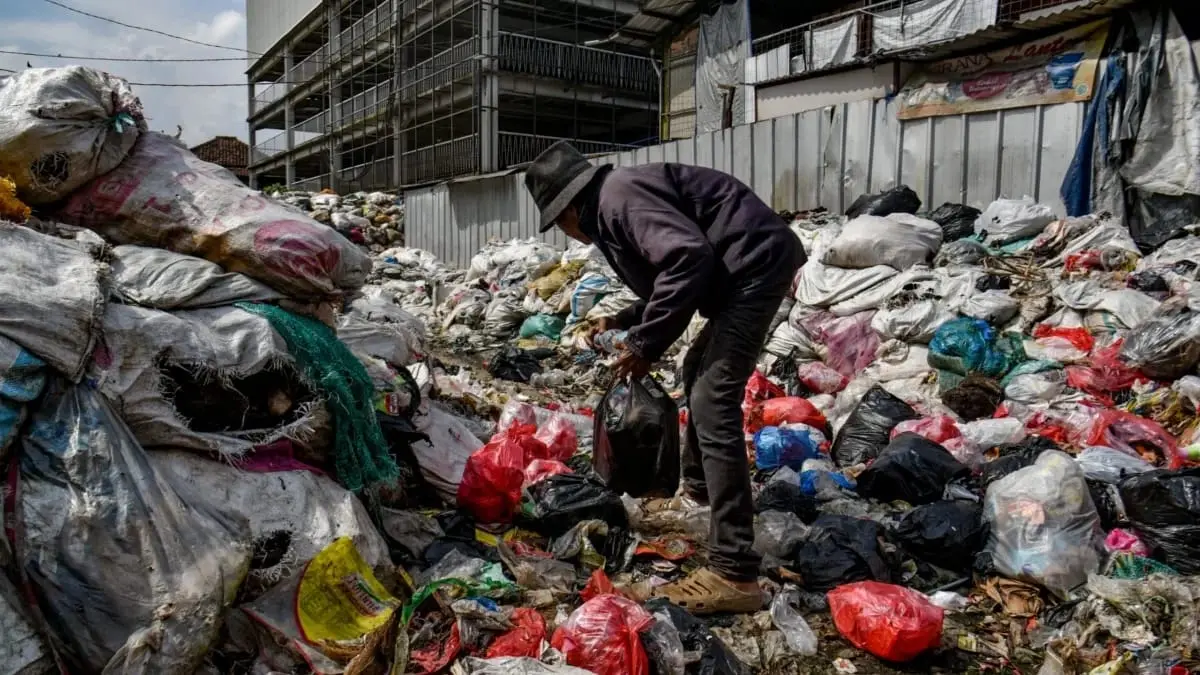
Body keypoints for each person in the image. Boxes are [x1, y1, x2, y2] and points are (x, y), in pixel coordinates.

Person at [524, 141, 805, 614]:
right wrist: (624, 321)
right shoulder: (613, 206)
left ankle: (734, 570)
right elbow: (670, 281)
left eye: (560, 223)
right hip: (740, 272)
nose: (567, 234)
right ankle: (697, 493)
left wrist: (644, 345)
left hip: (753, 268)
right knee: (697, 372)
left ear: (570, 206)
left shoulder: (618, 199)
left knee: (713, 400)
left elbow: (687, 259)